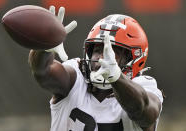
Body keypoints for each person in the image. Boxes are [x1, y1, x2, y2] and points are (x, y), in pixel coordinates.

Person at [28, 6, 163, 131]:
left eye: (112, 53)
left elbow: (144, 112)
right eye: (98, 50)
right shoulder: (76, 76)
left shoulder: (144, 86)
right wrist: (44, 47)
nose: (100, 60)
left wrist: (116, 77)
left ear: (134, 59)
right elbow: (43, 72)